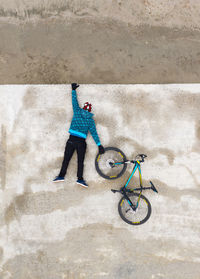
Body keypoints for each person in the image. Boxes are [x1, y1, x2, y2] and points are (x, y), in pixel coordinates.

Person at [53, 83, 105, 188]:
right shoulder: (90, 120)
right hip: (81, 142)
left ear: (83, 108)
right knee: (80, 161)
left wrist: (73, 90)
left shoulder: (77, 112)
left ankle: (61, 176)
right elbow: (94, 133)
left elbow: (74, 102)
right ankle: (80, 179)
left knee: (66, 159)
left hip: (71, 140)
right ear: (89, 111)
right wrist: (99, 145)